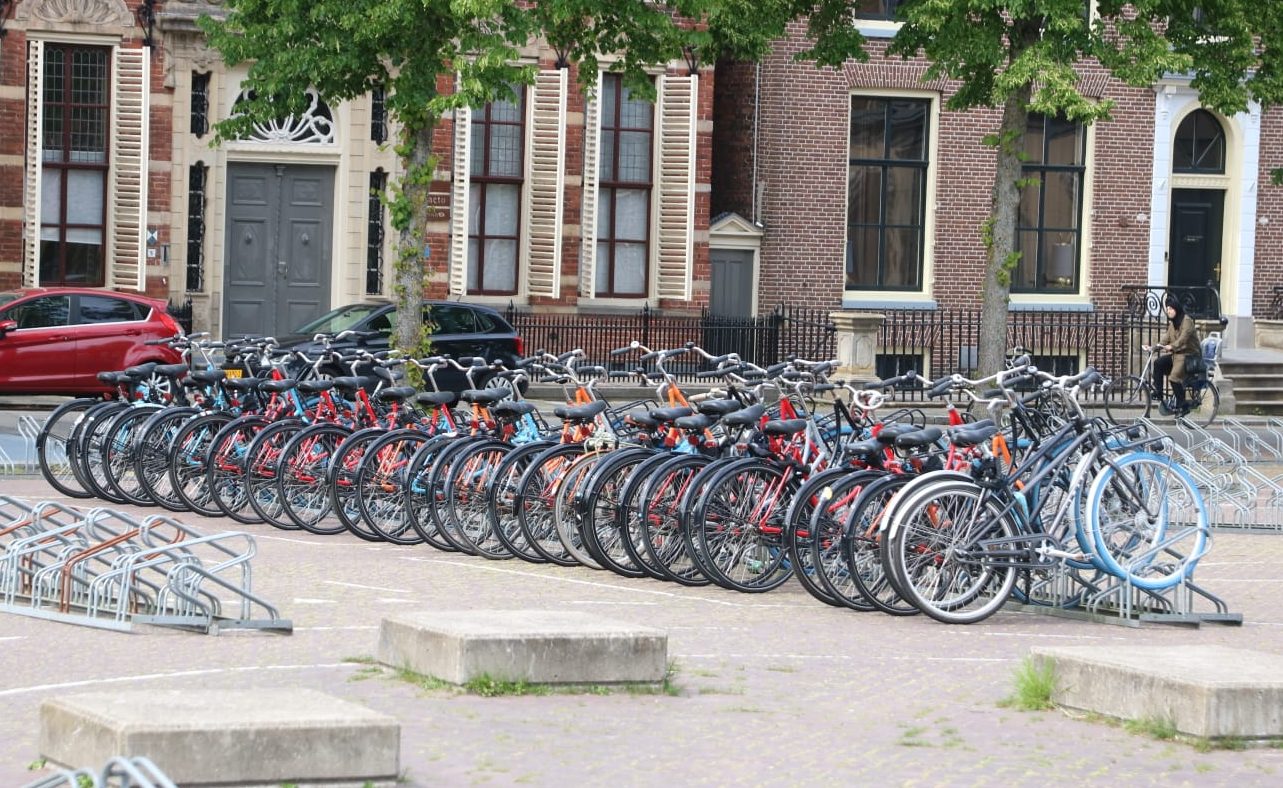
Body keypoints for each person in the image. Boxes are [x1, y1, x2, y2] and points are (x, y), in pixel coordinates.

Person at [1150, 294, 1201, 416]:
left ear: (1176, 309)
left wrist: (1172, 346)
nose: (1169, 311)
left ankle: (1183, 406)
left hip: (1188, 356)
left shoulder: (1187, 321)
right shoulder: (1173, 324)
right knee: (1158, 363)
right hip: (1177, 355)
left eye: (1171, 309)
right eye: (1167, 309)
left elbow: (1183, 339)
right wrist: (1153, 347)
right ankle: (1159, 393)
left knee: (1174, 377)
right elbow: (1166, 339)